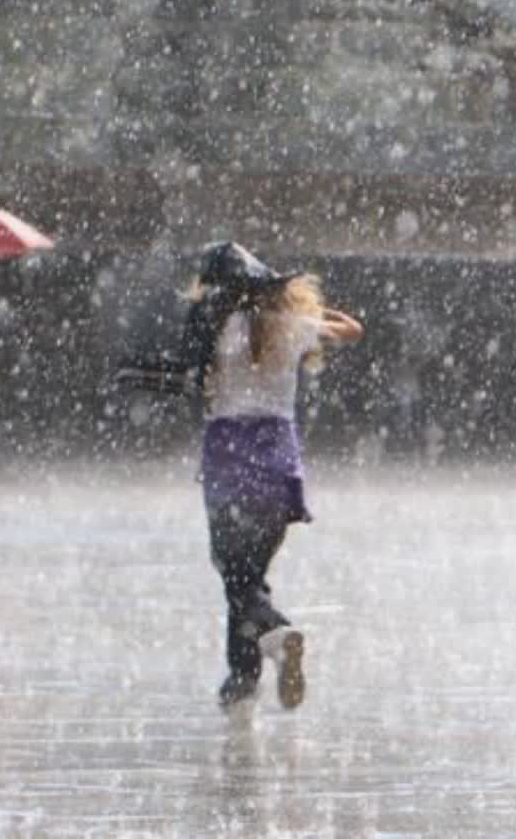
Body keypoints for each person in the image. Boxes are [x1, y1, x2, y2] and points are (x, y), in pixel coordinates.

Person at [183, 242, 363, 712]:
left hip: (228, 453)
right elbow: (352, 331)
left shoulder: (214, 331)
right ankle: (242, 677)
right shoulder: (293, 327)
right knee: (250, 573)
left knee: (235, 574)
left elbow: (185, 373)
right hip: (278, 458)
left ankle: (272, 642)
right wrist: (309, 311)